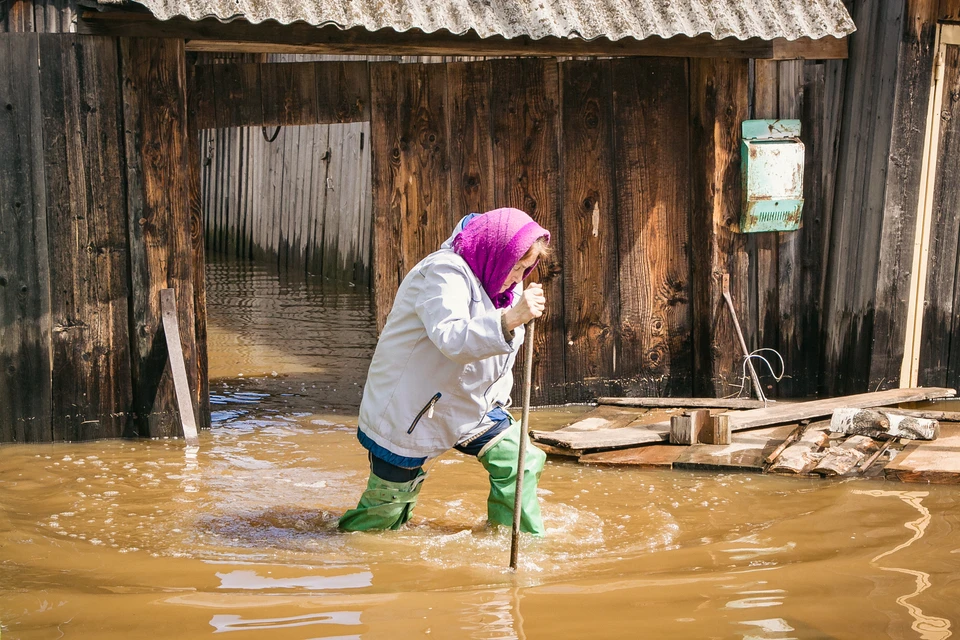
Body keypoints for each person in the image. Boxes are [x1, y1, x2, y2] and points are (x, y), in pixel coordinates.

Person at [339, 207, 551, 535]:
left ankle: (511, 540)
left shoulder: (504, 282)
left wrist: (496, 398)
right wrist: (511, 318)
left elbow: (500, 356)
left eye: (526, 269)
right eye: (515, 267)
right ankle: (347, 550)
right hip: (414, 409)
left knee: (520, 460)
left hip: (471, 404)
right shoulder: (442, 272)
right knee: (385, 512)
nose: (517, 278)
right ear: (496, 254)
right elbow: (453, 339)